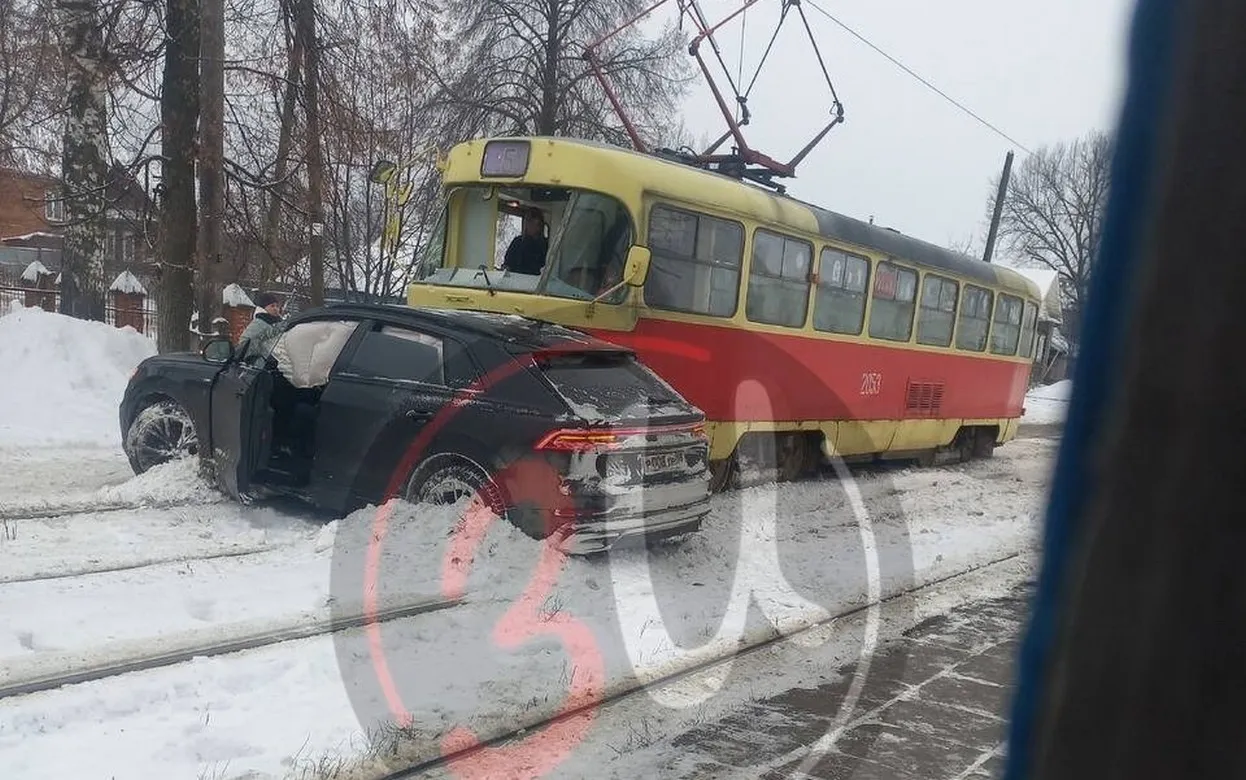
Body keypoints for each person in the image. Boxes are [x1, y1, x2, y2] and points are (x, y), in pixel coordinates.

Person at [238, 292, 284, 365]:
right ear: (264, 308)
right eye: (272, 306)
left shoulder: (273, 322)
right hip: (257, 364)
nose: (276, 309)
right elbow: (246, 342)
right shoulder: (260, 322)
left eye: (277, 306)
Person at [502, 207, 549, 275]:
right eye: (529, 222)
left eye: (536, 223)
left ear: (540, 226)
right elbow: (508, 263)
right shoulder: (517, 242)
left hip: (534, 281)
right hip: (515, 280)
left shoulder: (545, 245)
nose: (532, 226)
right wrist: (506, 268)